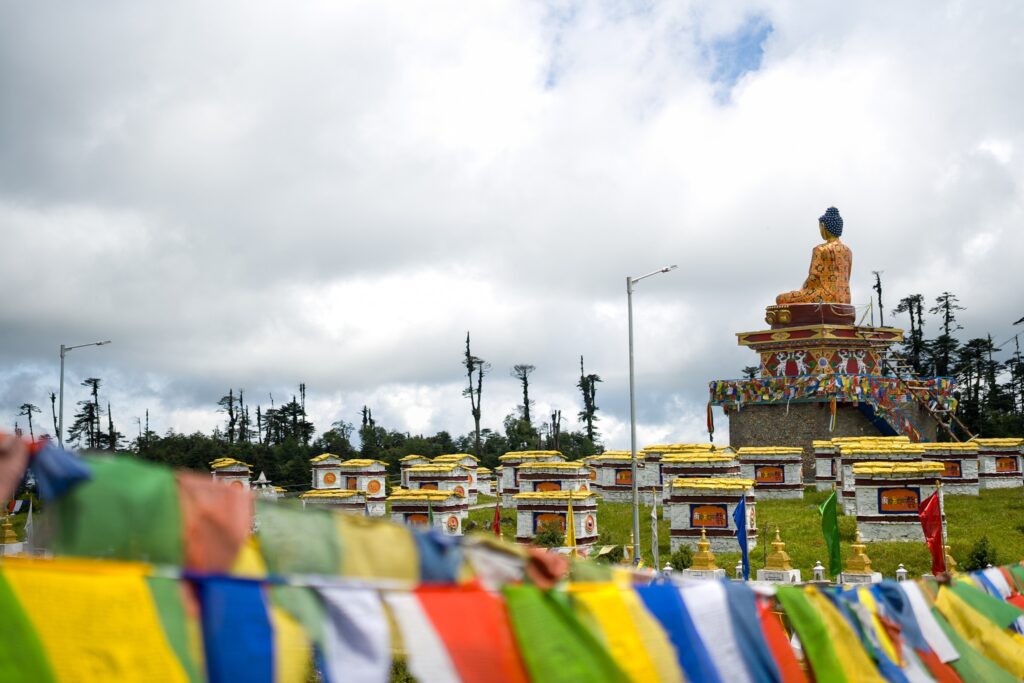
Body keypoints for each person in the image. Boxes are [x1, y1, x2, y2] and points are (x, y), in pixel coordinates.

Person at [776, 207, 853, 305]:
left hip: (824, 297)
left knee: (781, 299)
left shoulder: (820, 249)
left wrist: (801, 292)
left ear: (823, 226)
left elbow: (813, 279)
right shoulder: (848, 251)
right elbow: (847, 277)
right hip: (845, 298)